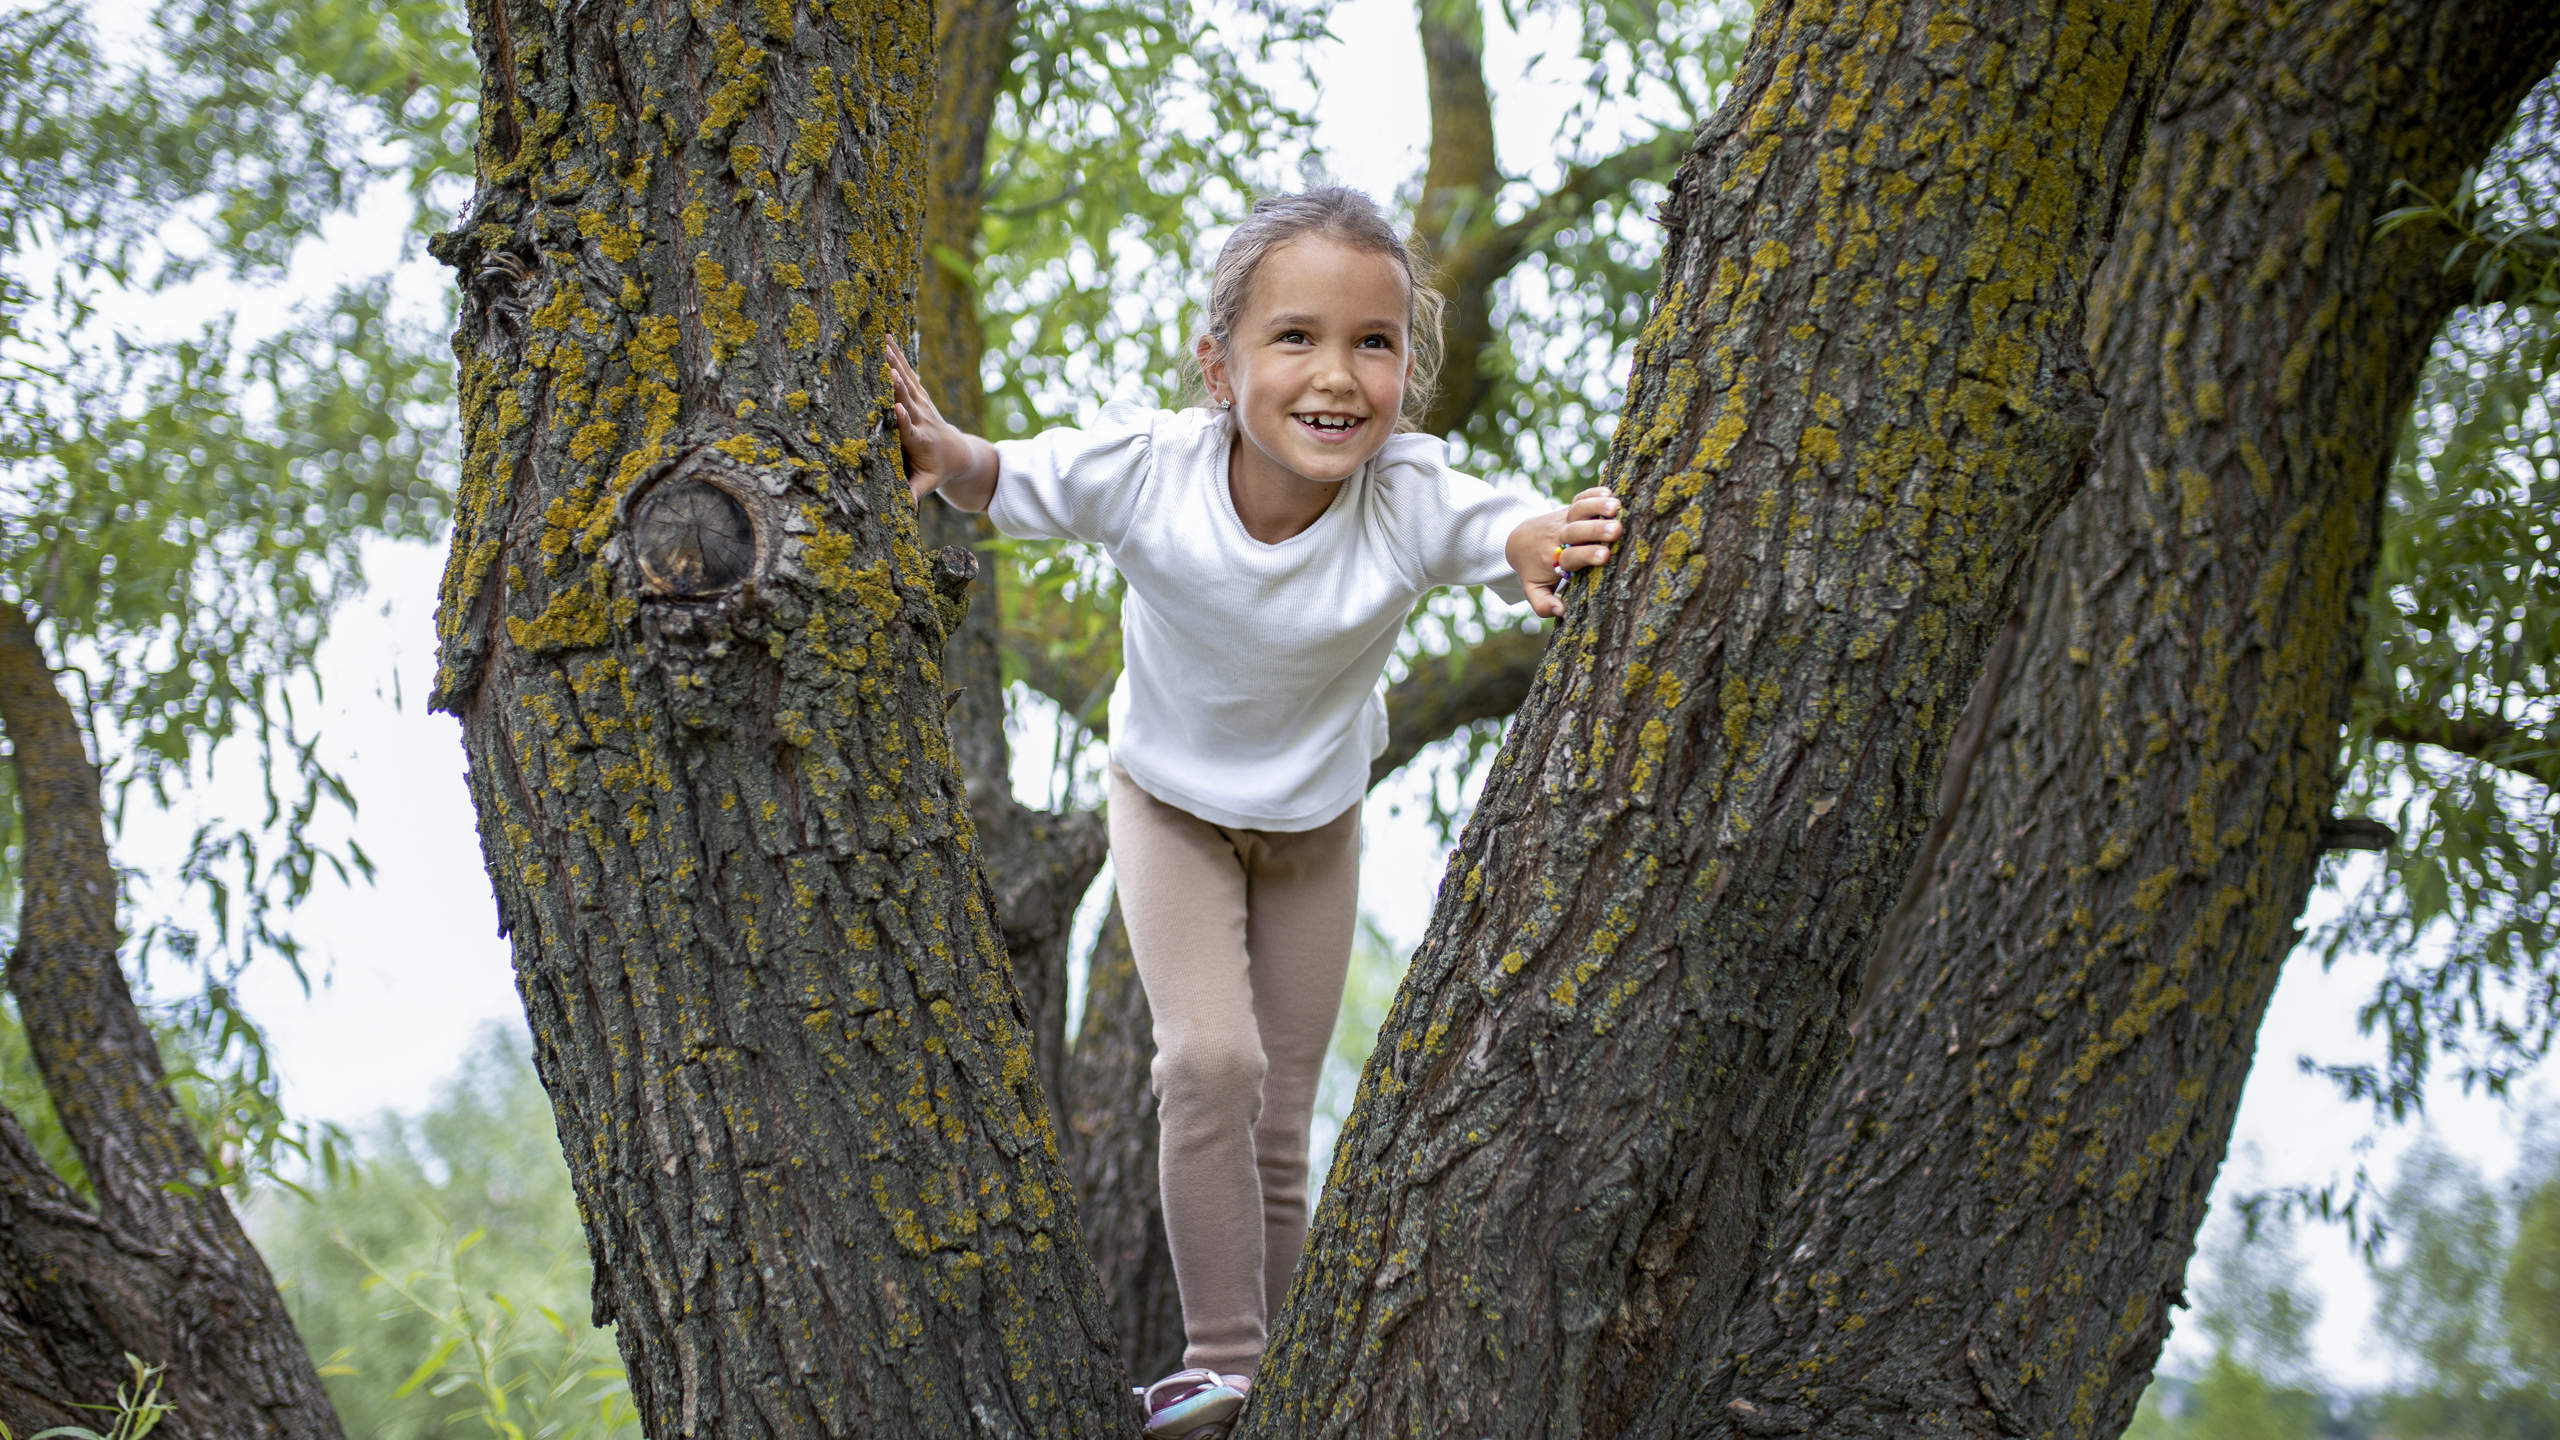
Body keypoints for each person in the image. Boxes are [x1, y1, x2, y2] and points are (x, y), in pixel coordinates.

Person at [888, 187, 1622, 1439]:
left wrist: (1545, 539)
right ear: (1218, 364)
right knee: (1209, 1063)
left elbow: (1500, 521)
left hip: (1313, 832)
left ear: (1405, 367)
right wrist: (948, 455)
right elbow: (1006, 479)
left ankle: (1291, 1389)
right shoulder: (1150, 469)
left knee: (1279, 1119)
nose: (1336, 375)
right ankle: (1222, 1357)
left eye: (1373, 344)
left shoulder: (1399, 493)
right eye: (1295, 338)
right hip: (1168, 806)